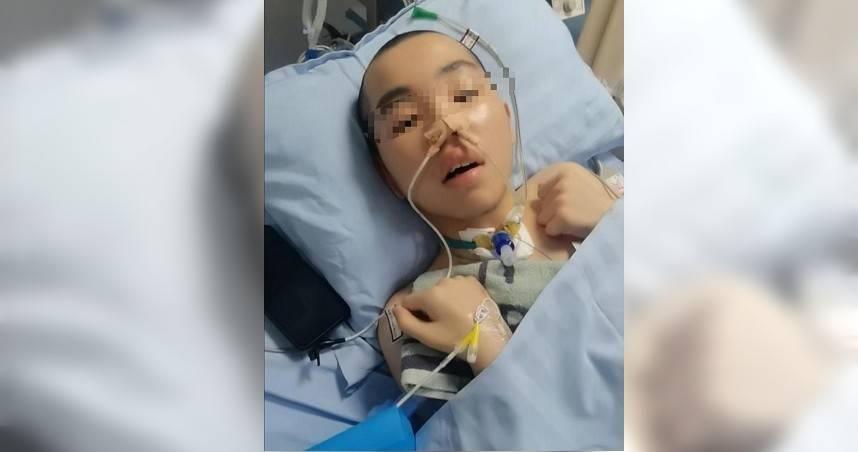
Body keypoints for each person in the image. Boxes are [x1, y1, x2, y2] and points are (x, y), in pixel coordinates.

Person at [358, 30, 618, 397]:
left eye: (463, 95)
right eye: (405, 122)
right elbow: (503, 426)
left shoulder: (574, 183)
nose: (446, 127)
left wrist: (618, 222)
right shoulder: (412, 310)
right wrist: (488, 348)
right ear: (388, 176)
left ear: (507, 120)